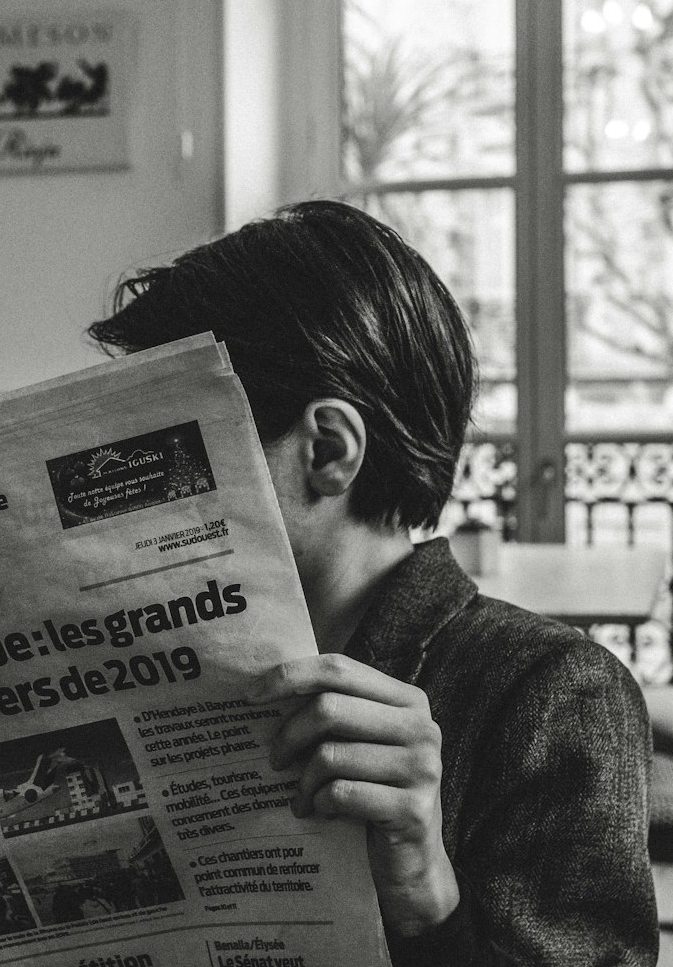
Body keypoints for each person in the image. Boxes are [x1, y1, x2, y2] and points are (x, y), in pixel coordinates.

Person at [87, 200, 658, 965]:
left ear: (327, 449)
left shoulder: (552, 695)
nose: (140, 484)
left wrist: (427, 901)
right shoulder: (154, 662)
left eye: (171, 442)